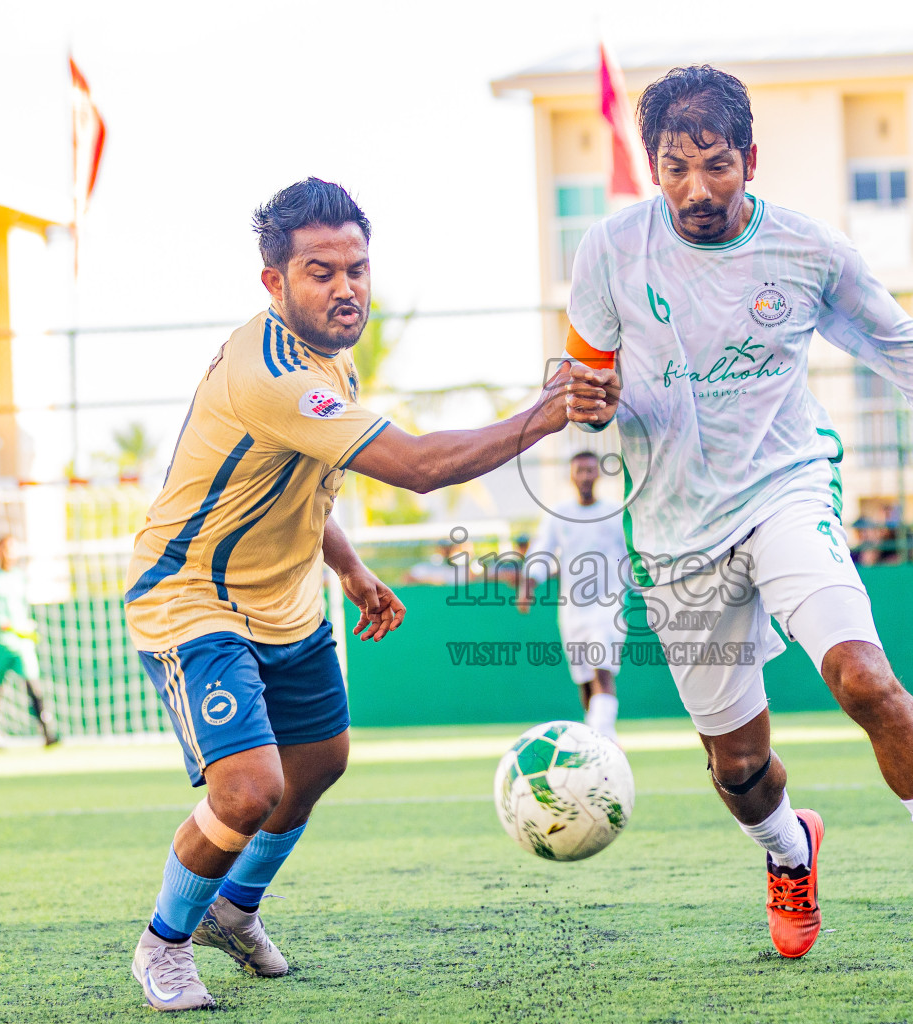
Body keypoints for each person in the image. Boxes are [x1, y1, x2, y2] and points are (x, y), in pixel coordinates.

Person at [562, 66, 913, 966]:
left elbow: (910, 351)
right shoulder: (607, 250)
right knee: (737, 770)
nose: (696, 189)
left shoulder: (807, 250)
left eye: (716, 165)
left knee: (865, 679)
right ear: (652, 166)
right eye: (675, 167)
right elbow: (589, 394)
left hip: (786, 488)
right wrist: (587, 401)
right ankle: (791, 851)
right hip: (675, 534)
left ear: (750, 159)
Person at [122, 178, 607, 1012]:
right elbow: (417, 469)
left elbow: (301, 476)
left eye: (358, 268)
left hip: (288, 598)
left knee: (320, 763)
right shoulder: (271, 370)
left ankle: (234, 912)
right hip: (194, 598)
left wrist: (347, 566)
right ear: (273, 282)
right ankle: (164, 944)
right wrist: (544, 414)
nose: (346, 288)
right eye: (320, 272)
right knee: (247, 791)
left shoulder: (330, 358)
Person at [517, 451, 631, 740]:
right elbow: (542, 550)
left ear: (599, 474)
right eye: (579, 471)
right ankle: (597, 740)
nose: (584, 476)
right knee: (584, 681)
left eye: (590, 470)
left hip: (609, 606)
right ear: (570, 475)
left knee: (602, 671)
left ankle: (603, 738)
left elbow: (633, 555)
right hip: (572, 611)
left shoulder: (616, 513)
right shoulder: (559, 515)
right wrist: (528, 584)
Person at [0, 535, 58, 748]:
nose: (9, 553)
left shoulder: (20, 578)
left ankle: (47, 732)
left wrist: (26, 627)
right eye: (5, 548)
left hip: (22, 643)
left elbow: (22, 608)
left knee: (33, 685)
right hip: (1, 645)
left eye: (12, 549)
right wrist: (4, 623)